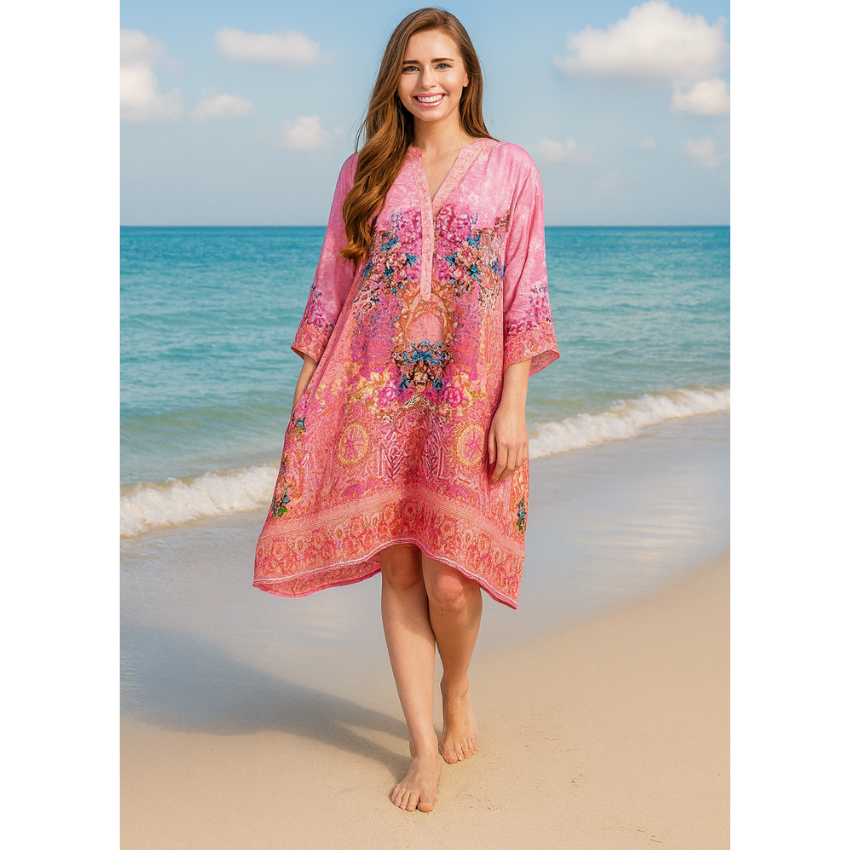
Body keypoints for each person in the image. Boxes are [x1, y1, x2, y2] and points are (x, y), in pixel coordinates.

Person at [254, 7, 559, 813]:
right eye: (411, 67)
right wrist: (304, 405)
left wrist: (513, 406)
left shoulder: (510, 168)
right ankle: (422, 744)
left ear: (467, 75)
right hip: (372, 398)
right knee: (398, 567)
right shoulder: (362, 172)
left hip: (467, 397)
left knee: (450, 582)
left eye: (442, 65)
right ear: (394, 79)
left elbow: (525, 293)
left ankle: (457, 686)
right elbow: (333, 289)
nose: (427, 81)